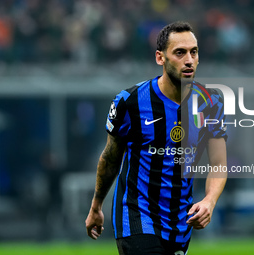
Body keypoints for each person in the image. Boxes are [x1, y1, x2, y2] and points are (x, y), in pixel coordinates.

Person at [85, 21, 228, 255]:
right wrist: (96, 206)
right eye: (180, 53)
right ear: (160, 58)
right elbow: (111, 158)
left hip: (181, 221)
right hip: (137, 215)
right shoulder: (129, 102)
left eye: (194, 52)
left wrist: (209, 201)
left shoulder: (211, 102)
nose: (189, 60)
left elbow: (219, 162)